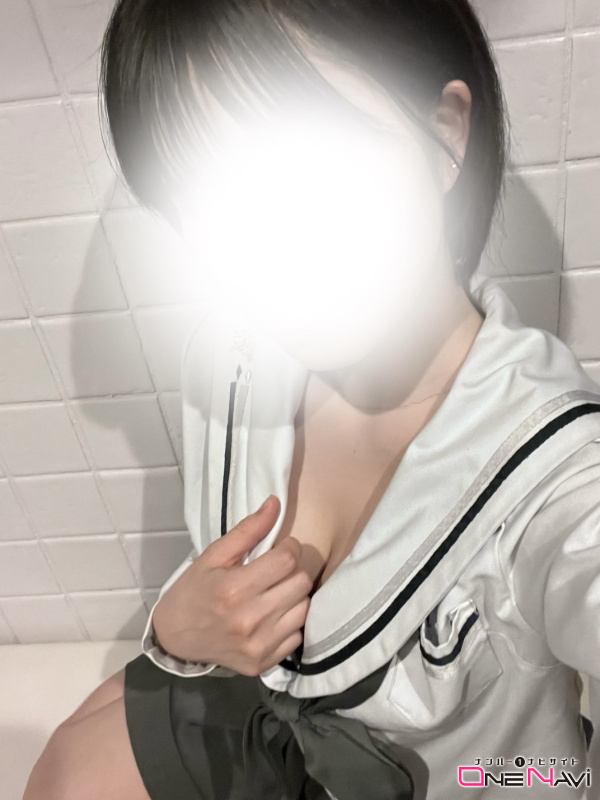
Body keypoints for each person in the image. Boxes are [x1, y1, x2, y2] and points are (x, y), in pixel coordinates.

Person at [23, 1, 600, 799]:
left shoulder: (557, 478)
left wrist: (514, 780)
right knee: (66, 768)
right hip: (268, 736)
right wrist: (176, 629)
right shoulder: (230, 358)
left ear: (444, 133)